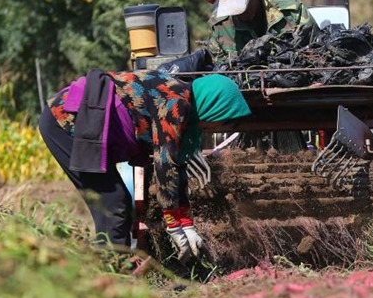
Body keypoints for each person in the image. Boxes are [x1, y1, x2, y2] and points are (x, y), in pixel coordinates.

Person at [38, 68, 251, 262]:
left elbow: (177, 168)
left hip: (79, 121)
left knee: (114, 203)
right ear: (214, 106)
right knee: (113, 203)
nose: (215, 128)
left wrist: (187, 224)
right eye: (222, 120)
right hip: (66, 121)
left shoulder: (179, 95)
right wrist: (173, 227)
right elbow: (165, 163)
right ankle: (111, 275)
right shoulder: (176, 104)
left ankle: (113, 269)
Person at [208, 0, 317, 64]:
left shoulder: (291, 11)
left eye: (241, 6)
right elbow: (221, 69)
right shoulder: (219, 24)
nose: (238, 14)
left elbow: (316, 50)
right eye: (230, 8)